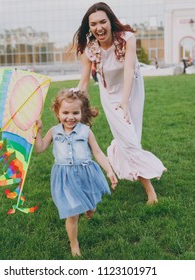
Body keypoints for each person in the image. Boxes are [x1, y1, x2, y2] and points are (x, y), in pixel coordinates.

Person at [72, 2, 166, 205]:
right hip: (109, 94)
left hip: (133, 90)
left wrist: (125, 102)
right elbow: (85, 81)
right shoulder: (90, 49)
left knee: (133, 135)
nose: (99, 27)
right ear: (89, 27)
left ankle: (124, 161)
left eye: (103, 22)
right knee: (130, 140)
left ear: (111, 21)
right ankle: (151, 192)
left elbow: (129, 71)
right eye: (94, 24)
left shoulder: (127, 39)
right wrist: (75, 98)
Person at [34, 88, 118, 257]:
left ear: (82, 112)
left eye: (75, 113)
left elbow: (98, 152)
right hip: (64, 177)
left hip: (85, 173)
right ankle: (74, 244)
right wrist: (38, 133)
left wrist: (109, 170)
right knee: (72, 214)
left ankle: (89, 207)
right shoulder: (54, 131)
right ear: (57, 112)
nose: (70, 117)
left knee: (89, 203)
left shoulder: (86, 132)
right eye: (65, 112)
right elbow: (40, 148)